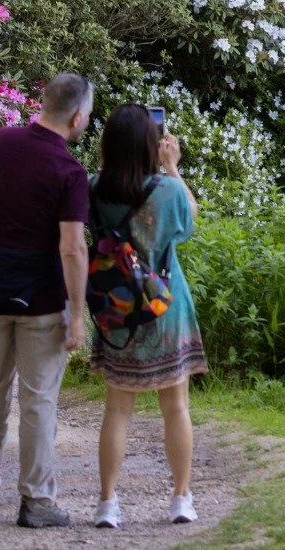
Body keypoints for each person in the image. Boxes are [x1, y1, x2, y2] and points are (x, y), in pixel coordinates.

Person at [0, 72, 93, 529]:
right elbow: (72, 248)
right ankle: (36, 502)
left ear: (43, 102)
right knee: (38, 401)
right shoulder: (70, 172)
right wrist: (78, 315)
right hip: (39, 298)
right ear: (77, 116)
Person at [89, 104, 206, 529]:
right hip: (165, 309)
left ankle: (106, 503)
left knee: (117, 409)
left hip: (117, 309)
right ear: (150, 145)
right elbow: (189, 223)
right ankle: (180, 498)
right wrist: (172, 167)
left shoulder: (93, 188)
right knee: (175, 406)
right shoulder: (167, 190)